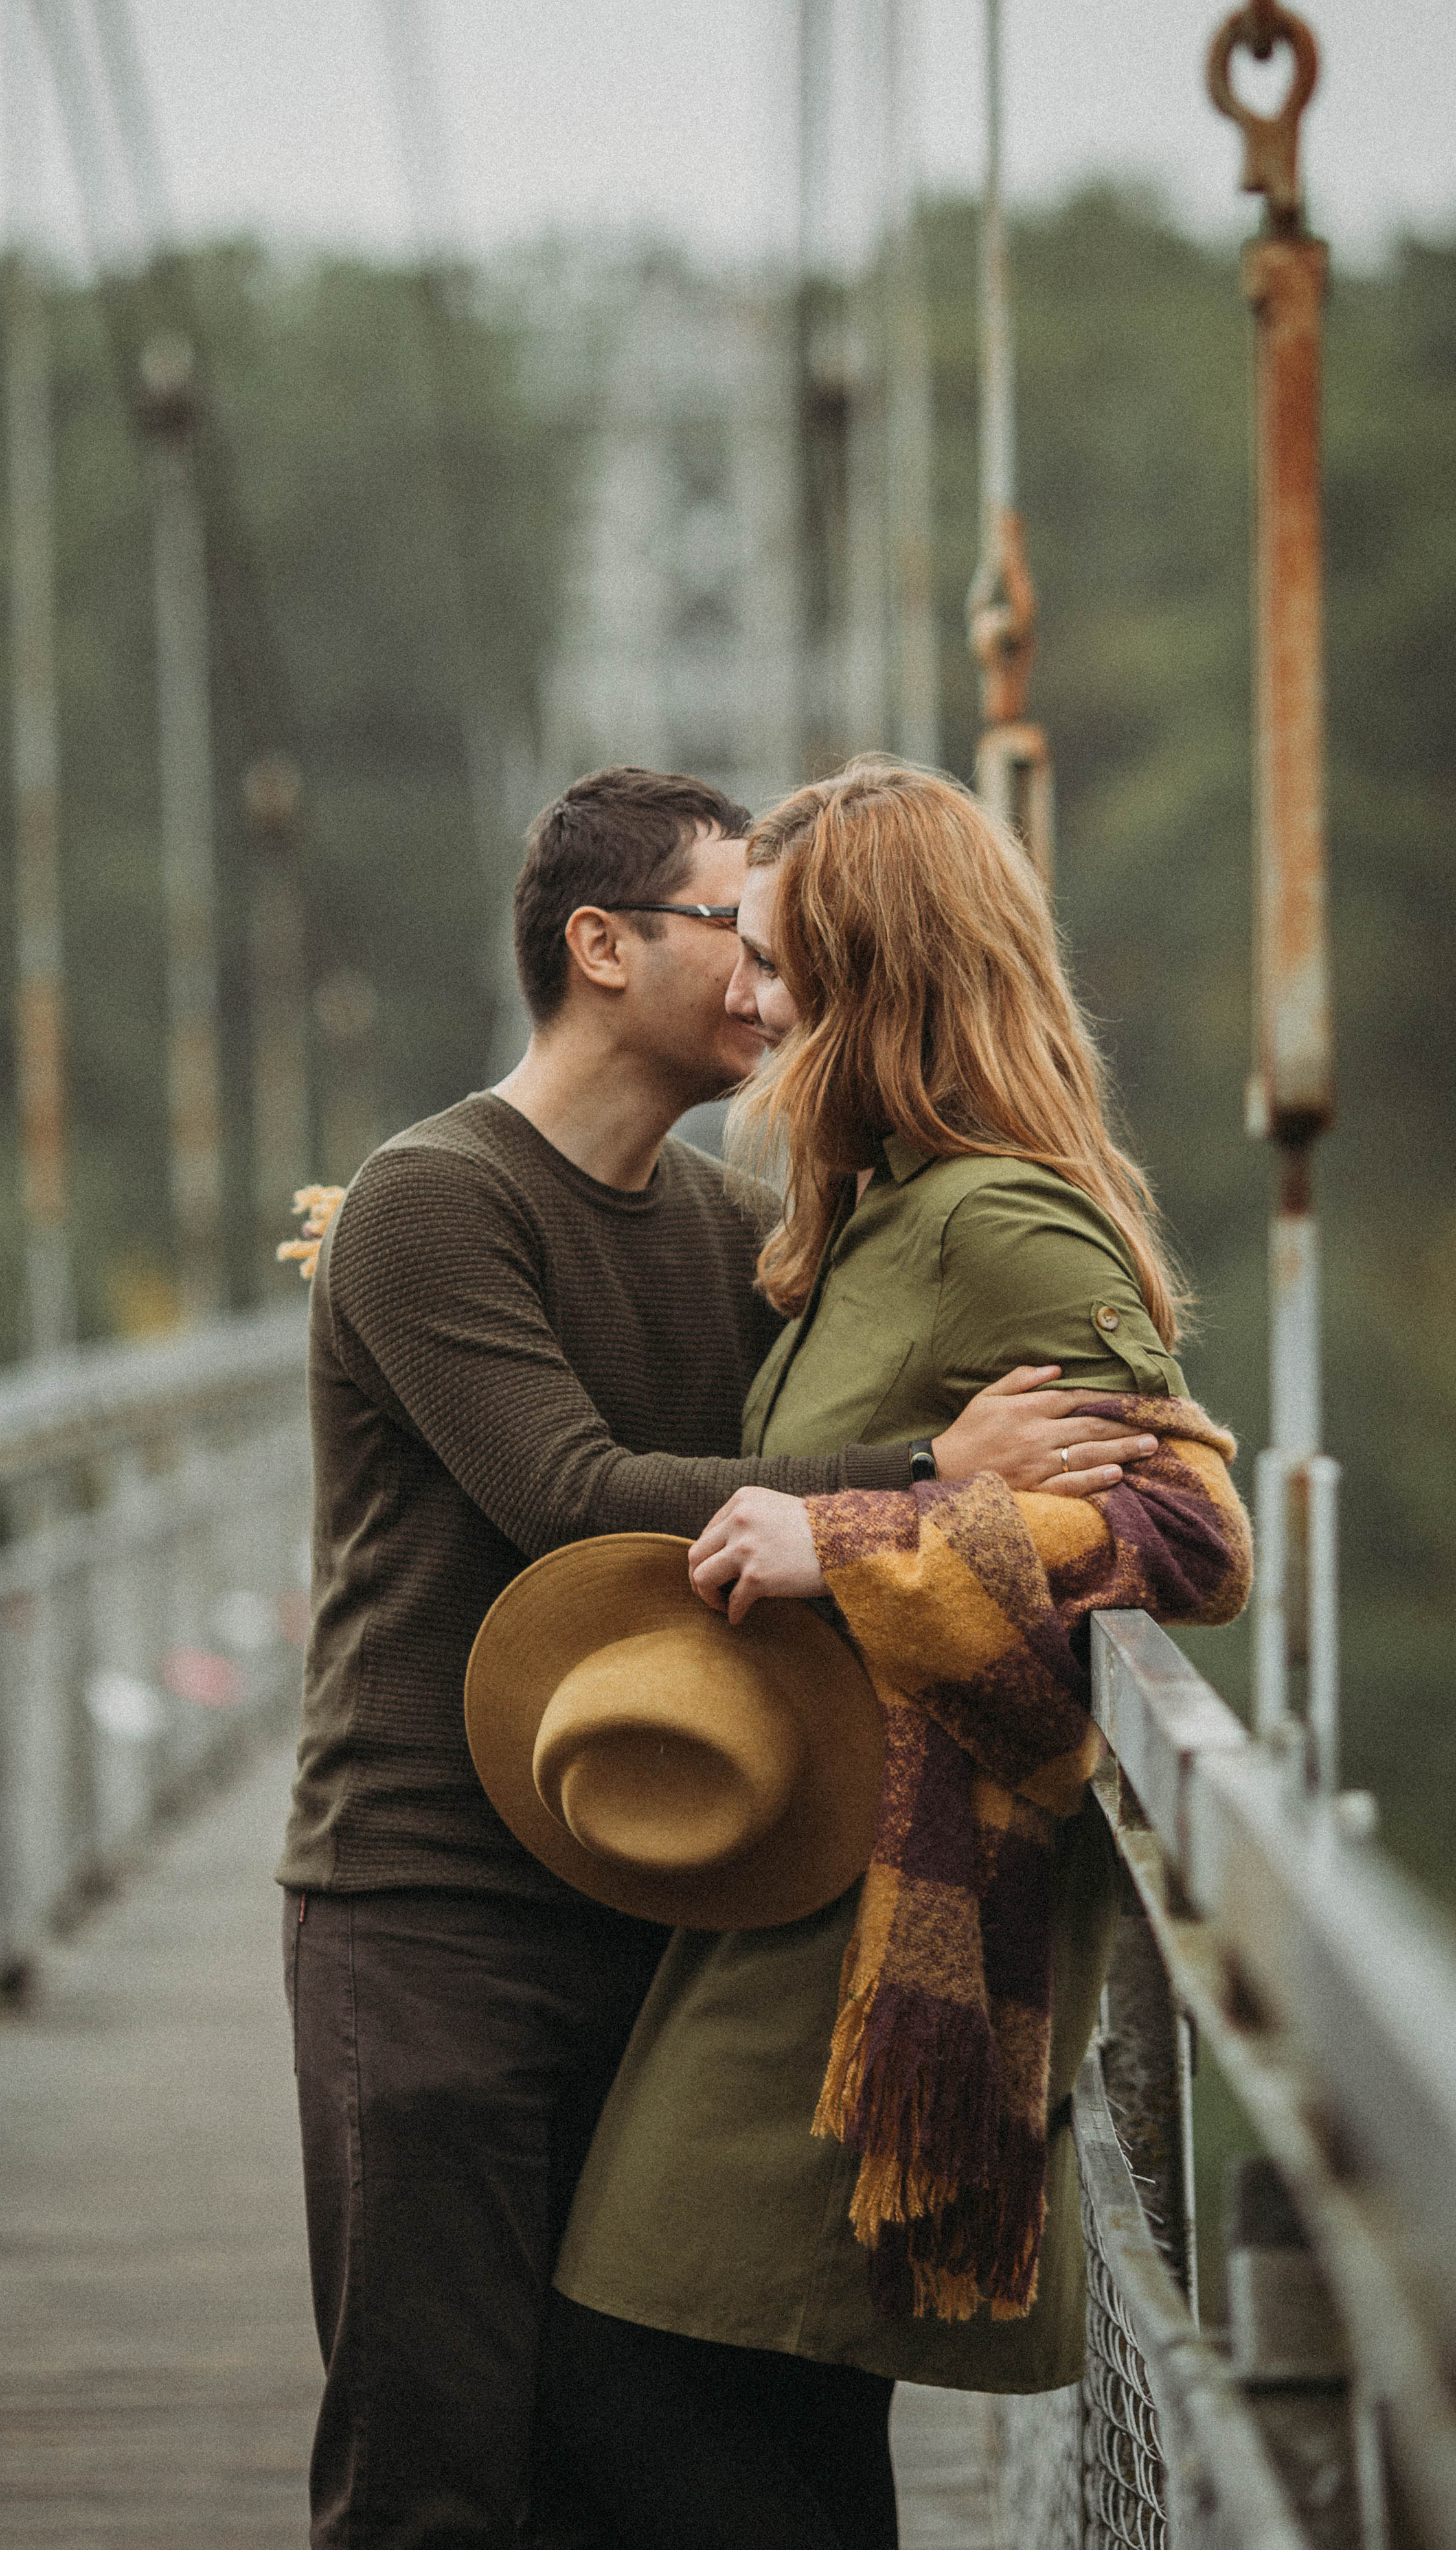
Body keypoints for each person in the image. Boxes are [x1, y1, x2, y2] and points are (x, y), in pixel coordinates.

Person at [277, 763, 1157, 2550]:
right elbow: (576, 1502)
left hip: (678, 1894)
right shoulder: (432, 1199)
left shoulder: (747, 1242)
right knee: (435, 2461)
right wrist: (929, 1473)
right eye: (734, 934)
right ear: (602, 947)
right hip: (434, 1906)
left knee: (626, 2452)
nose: (772, 981)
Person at [543, 759, 1251, 2550]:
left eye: (783, 962)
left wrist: (851, 1541)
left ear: (880, 978)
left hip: (883, 1933)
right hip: (792, 1892)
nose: (751, 996)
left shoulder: (1001, 1220)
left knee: (653, 2388)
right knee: (746, 2420)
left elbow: (1187, 1532)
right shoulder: (868, 1212)